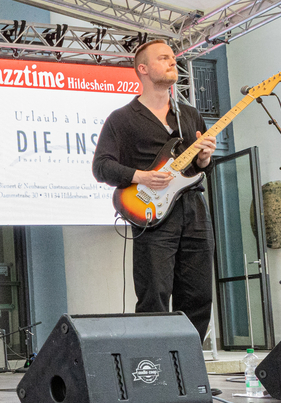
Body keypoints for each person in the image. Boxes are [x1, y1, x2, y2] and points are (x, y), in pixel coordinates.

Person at [91, 39, 216, 343]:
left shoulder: (188, 117)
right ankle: (155, 370)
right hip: (152, 215)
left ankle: (189, 365)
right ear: (143, 69)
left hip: (194, 212)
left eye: (173, 58)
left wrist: (204, 159)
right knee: (154, 296)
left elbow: (199, 170)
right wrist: (141, 176)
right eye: (163, 58)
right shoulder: (122, 118)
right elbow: (102, 166)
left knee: (199, 295)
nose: (173, 62)